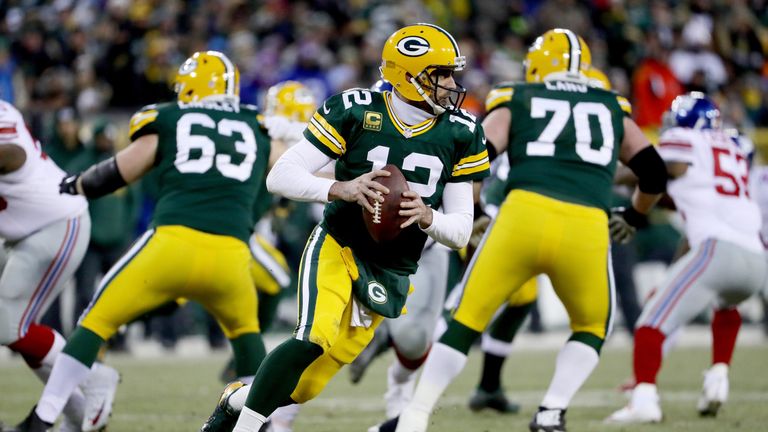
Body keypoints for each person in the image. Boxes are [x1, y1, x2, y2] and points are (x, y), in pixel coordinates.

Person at [199, 22, 490, 432]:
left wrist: (428, 216)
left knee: (305, 387)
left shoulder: (462, 132)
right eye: (440, 74)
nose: (451, 83)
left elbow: (460, 229)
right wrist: (341, 187)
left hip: (392, 267)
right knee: (311, 338)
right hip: (340, 243)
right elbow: (280, 176)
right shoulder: (356, 108)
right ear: (409, 76)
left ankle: (234, 401)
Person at [375, 28, 668, 432]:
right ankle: (551, 411)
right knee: (591, 327)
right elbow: (653, 172)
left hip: (521, 216)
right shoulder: (610, 105)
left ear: (536, 65)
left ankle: (415, 415)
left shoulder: (519, 97)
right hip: (587, 224)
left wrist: (474, 210)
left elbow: (478, 155)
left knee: (465, 319)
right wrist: (633, 216)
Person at [8, 50, 273, 432]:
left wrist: (78, 184)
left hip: (172, 244)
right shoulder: (257, 125)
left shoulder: (171, 117)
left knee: (94, 321)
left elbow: (123, 169)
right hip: (232, 258)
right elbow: (280, 173)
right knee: (247, 337)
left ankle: (43, 418)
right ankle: (261, 423)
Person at [605, 92, 767, 424]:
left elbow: (663, 169)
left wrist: (611, 176)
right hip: (756, 258)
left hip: (718, 250)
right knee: (725, 303)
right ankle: (718, 376)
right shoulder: (734, 147)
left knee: (650, 321)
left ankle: (644, 399)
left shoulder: (687, 139)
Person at [0, 99, 119, 432]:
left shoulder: (3, 117)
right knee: (18, 329)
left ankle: (94, 378)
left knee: (10, 325)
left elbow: (13, 154)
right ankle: (78, 411)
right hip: (23, 230)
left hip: (57, 223)